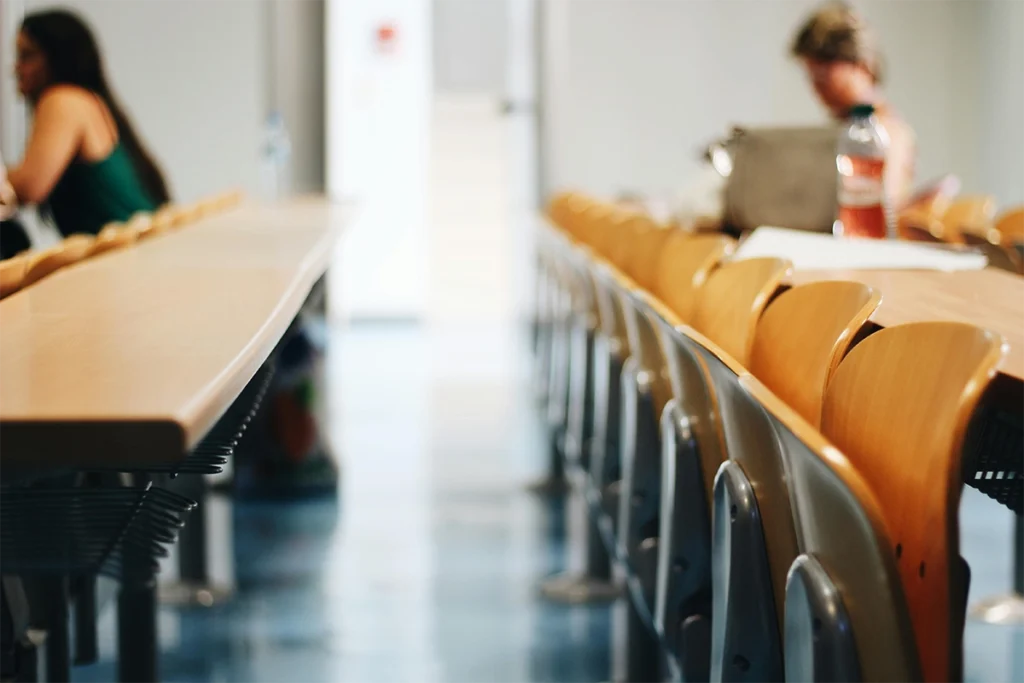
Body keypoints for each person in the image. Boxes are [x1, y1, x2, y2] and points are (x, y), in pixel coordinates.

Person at [6, 10, 169, 237]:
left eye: (27, 55)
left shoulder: (63, 99)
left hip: (132, 252)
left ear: (57, 58)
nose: (16, 69)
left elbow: (28, 186)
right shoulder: (88, 100)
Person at [791, 4, 916, 210]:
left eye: (823, 77)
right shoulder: (844, 127)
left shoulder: (885, 133)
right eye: (811, 77)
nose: (816, 89)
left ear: (861, 66)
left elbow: (882, 205)